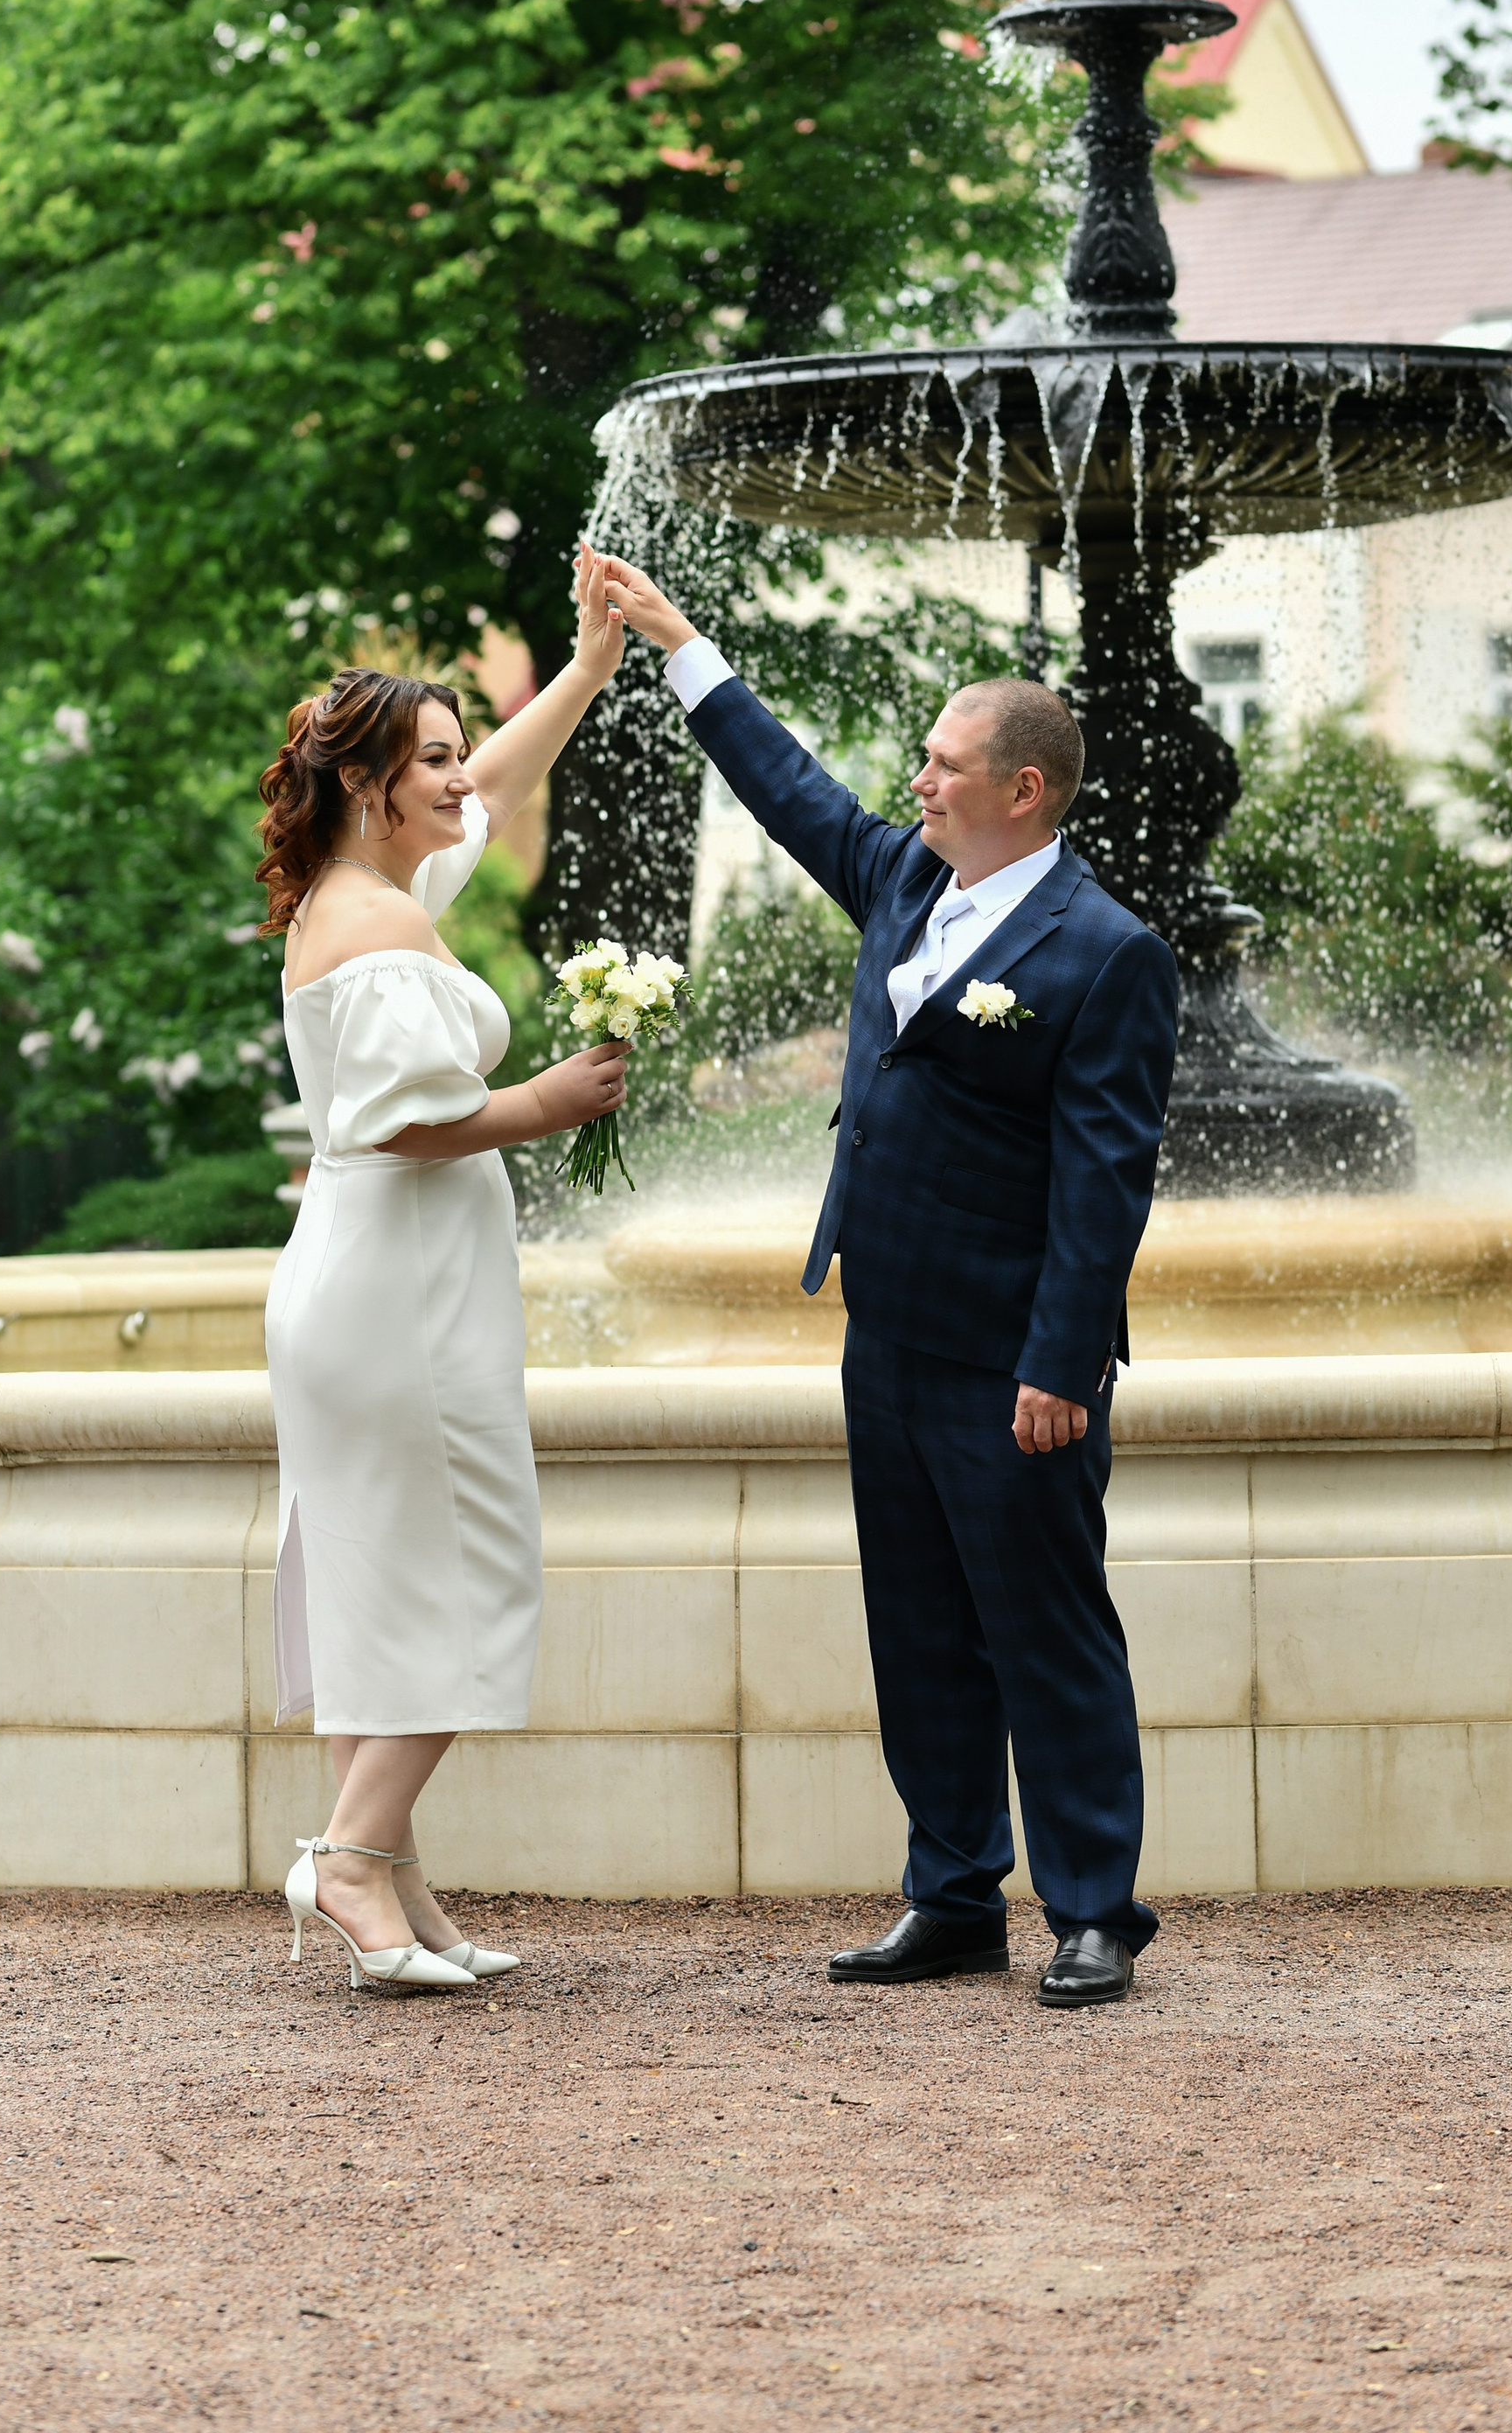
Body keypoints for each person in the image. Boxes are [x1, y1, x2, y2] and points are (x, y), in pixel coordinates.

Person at [601, 556, 1179, 2008]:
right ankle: (953, 1895)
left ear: (1024, 792)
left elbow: (1106, 1183)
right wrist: (683, 645)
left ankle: (1095, 1907)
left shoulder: (1109, 954)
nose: (916, 781)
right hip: (889, 1334)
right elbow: (789, 789)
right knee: (916, 1624)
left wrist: (1062, 1365)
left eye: (943, 761)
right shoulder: (908, 877)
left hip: (1013, 1358)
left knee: (1045, 1629)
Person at [255, 547, 631, 1996]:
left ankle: (394, 1882)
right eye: (436, 762)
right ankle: (348, 1860)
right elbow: (406, 1122)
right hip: (398, 1298)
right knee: (470, 1575)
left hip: (362, 1288)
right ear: (370, 785)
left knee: (380, 1584)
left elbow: (508, 790)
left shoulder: (360, 895)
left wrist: (589, 667)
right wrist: (549, 1101)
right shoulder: (384, 924)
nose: (464, 781)